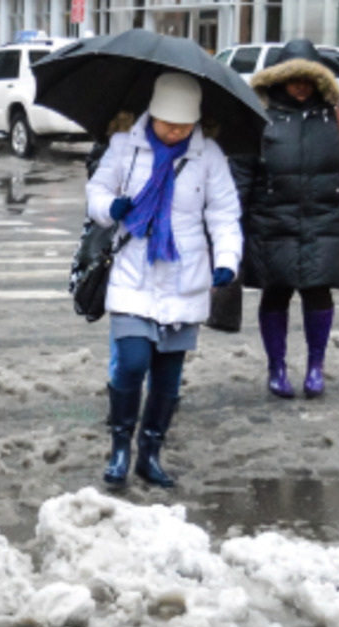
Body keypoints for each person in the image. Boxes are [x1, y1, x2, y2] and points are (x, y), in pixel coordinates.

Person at [87, 73, 242, 489]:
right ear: (151, 113)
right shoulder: (125, 146)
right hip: (133, 273)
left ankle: (150, 453)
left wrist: (227, 259)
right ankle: (120, 447)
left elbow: (224, 214)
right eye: (166, 121)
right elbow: (96, 190)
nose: (174, 130)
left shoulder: (207, 156)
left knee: (168, 380)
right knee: (133, 362)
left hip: (183, 279)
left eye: (183, 124)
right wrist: (110, 206)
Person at [232, 39, 339, 400]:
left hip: (323, 217)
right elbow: (242, 169)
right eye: (294, 78)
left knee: (318, 292)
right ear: (278, 79)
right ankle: (277, 367)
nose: (301, 85)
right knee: (276, 292)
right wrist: (230, 218)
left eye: (308, 79)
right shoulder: (259, 114)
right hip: (272, 218)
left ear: (320, 80)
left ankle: (316, 366)